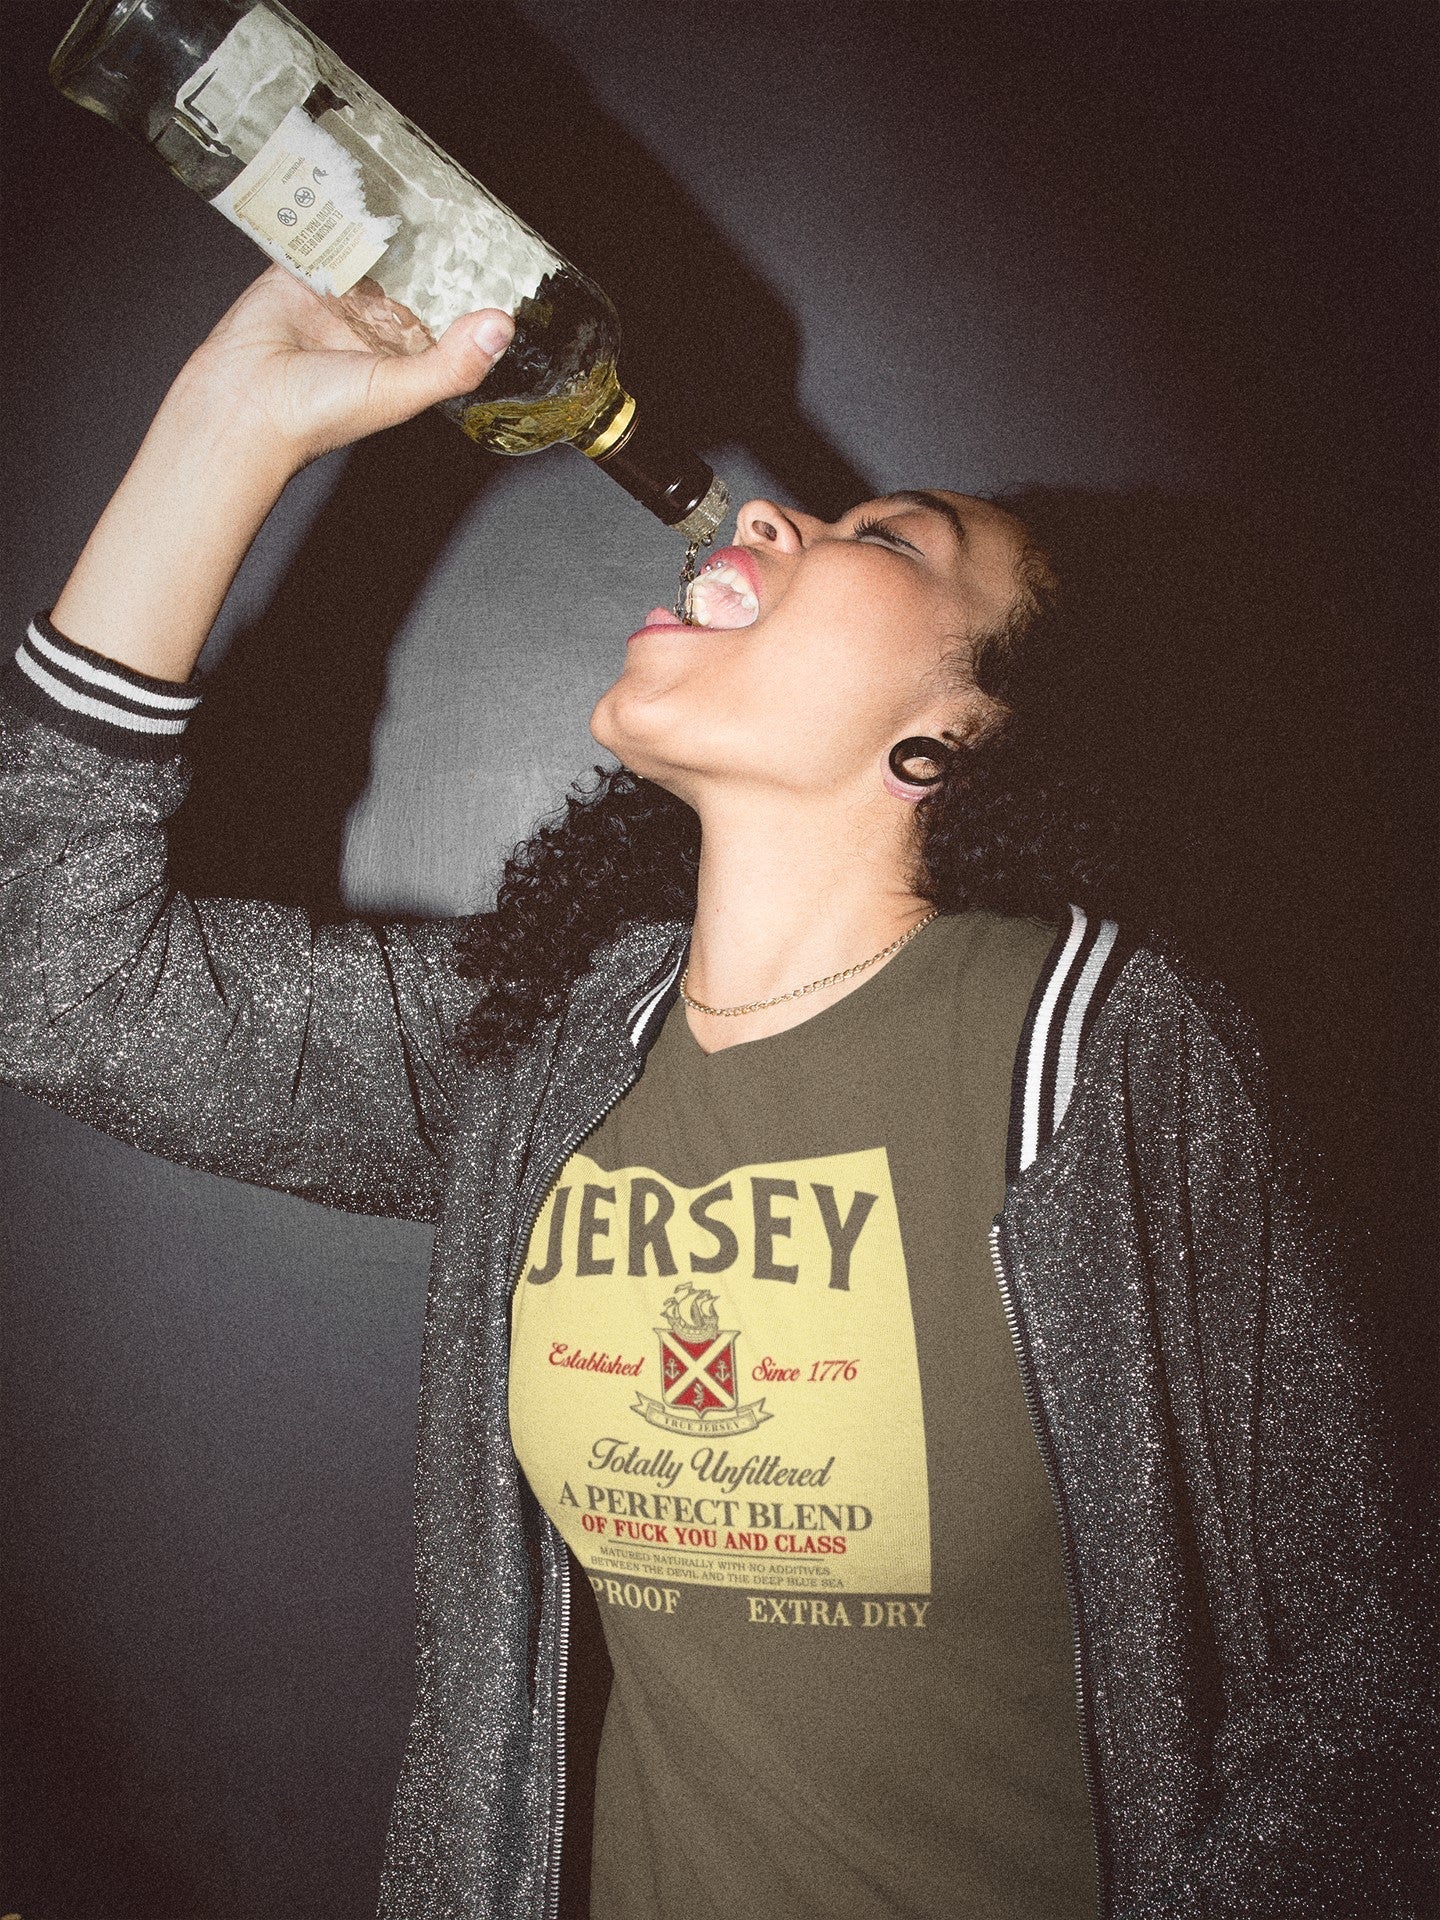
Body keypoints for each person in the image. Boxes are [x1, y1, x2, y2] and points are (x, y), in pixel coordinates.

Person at [0, 267, 1428, 1920]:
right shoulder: (546, 1063)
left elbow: (1367, 1697)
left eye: (889, 541)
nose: (760, 517)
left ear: (963, 733)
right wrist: (227, 432)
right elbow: (59, 982)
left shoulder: (1111, 1052)